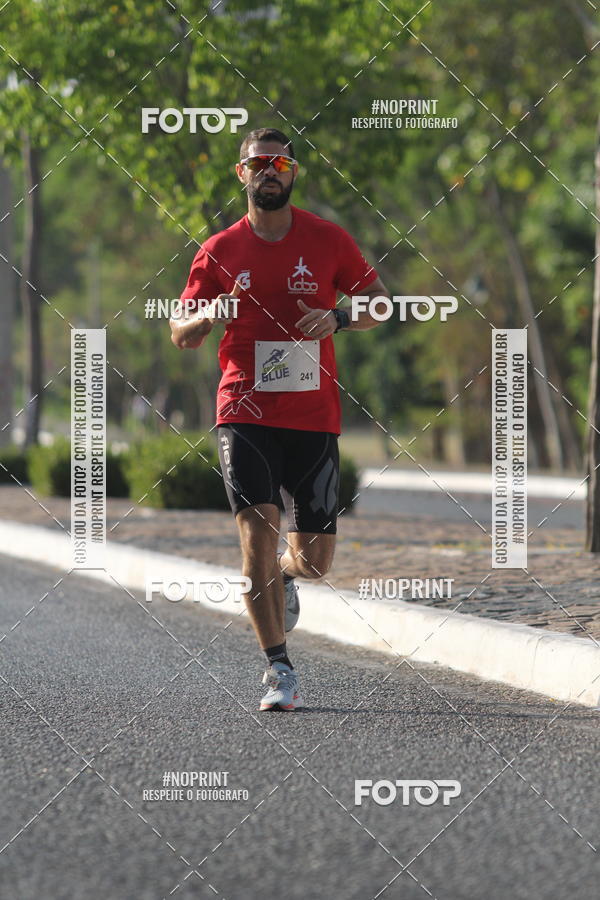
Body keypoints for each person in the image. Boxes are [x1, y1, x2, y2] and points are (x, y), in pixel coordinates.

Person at [170, 127, 388, 711]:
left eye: (281, 164)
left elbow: (381, 303)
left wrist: (339, 318)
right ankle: (279, 669)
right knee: (256, 539)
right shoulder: (219, 250)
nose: (270, 171)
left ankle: (287, 575)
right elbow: (180, 332)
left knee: (314, 560)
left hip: (312, 414)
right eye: (259, 163)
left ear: (293, 174)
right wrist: (207, 316)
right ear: (241, 174)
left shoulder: (327, 238)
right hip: (242, 410)